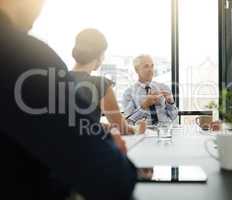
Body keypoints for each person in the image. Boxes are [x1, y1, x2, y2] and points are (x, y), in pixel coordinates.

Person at [0, 1, 136, 200]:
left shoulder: (63, 75)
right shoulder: (22, 56)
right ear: (100, 56)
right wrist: (106, 143)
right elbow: (113, 178)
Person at [70, 28, 146, 135]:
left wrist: (108, 127)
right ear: (99, 55)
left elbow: (77, 124)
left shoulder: (56, 80)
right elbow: (122, 129)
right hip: (87, 148)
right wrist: (136, 129)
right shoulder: (100, 85)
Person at [122, 54, 178, 125]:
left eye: (152, 66)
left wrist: (170, 103)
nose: (150, 70)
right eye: (146, 66)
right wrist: (144, 106)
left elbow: (173, 117)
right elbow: (128, 121)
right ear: (137, 70)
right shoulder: (128, 93)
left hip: (165, 131)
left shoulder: (164, 87)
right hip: (144, 133)